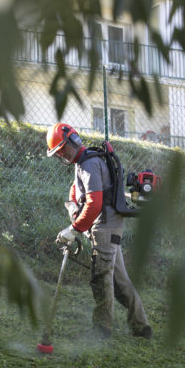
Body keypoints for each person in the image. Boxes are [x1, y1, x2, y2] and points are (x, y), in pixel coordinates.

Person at [46, 122, 152, 340]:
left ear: (73, 142)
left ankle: (102, 331)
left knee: (101, 278)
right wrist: (73, 204)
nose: (62, 155)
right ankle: (141, 327)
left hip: (104, 227)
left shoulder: (89, 164)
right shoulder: (85, 162)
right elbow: (78, 189)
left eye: (63, 150)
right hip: (108, 226)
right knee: (119, 281)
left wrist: (74, 229)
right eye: (59, 153)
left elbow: (94, 204)